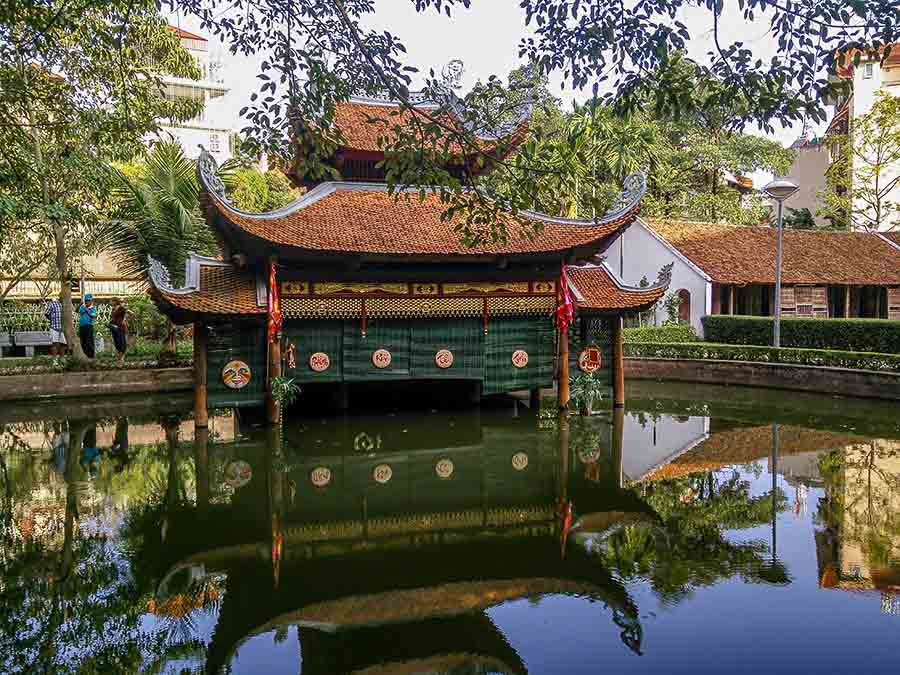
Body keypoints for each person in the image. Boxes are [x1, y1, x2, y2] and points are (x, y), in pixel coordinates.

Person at [108, 298, 128, 366]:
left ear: (115, 301)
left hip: (120, 328)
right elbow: (113, 318)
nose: (110, 302)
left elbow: (126, 313)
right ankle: (119, 360)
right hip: (114, 328)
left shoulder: (121, 308)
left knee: (121, 343)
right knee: (117, 344)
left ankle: (121, 360)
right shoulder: (113, 309)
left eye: (111, 301)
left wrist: (124, 320)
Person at [77, 294, 98, 358]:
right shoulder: (82, 307)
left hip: (89, 326)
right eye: (86, 301)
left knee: (89, 341)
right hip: (82, 327)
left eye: (88, 301)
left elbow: (94, 316)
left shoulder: (93, 308)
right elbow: (77, 311)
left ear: (91, 301)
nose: (87, 302)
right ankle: (84, 355)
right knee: (83, 341)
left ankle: (91, 355)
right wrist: (79, 305)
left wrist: (87, 310)